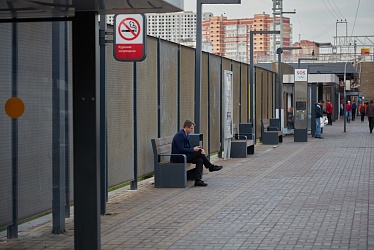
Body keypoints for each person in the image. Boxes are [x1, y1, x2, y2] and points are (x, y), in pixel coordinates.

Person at [170, 119, 222, 187]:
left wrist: (196, 148)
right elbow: (181, 149)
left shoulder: (186, 134)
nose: (192, 130)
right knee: (199, 152)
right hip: (178, 157)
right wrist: (194, 150)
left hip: (184, 155)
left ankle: (198, 180)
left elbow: (187, 147)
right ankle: (210, 167)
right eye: (191, 128)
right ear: (186, 127)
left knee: (200, 160)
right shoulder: (180, 135)